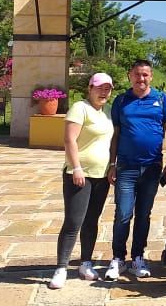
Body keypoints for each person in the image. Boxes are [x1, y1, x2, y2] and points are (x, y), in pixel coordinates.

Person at [106, 59, 166, 281]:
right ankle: (118, 258)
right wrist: (112, 164)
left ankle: (138, 257)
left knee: (143, 215)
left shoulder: (161, 99)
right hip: (126, 167)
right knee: (123, 214)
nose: (141, 79)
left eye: (145, 75)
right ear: (130, 76)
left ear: (152, 76)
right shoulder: (121, 101)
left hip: (152, 168)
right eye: (137, 74)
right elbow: (115, 135)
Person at [49, 73, 115, 290]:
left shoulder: (106, 113)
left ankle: (86, 262)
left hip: (101, 175)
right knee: (73, 222)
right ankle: (61, 267)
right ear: (90, 88)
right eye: (99, 88)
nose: (103, 92)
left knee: (91, 221)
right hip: (80, 174)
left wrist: (112, 166)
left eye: (107, 88)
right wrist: (76, 167)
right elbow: (69, 139)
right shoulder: (80, 108)